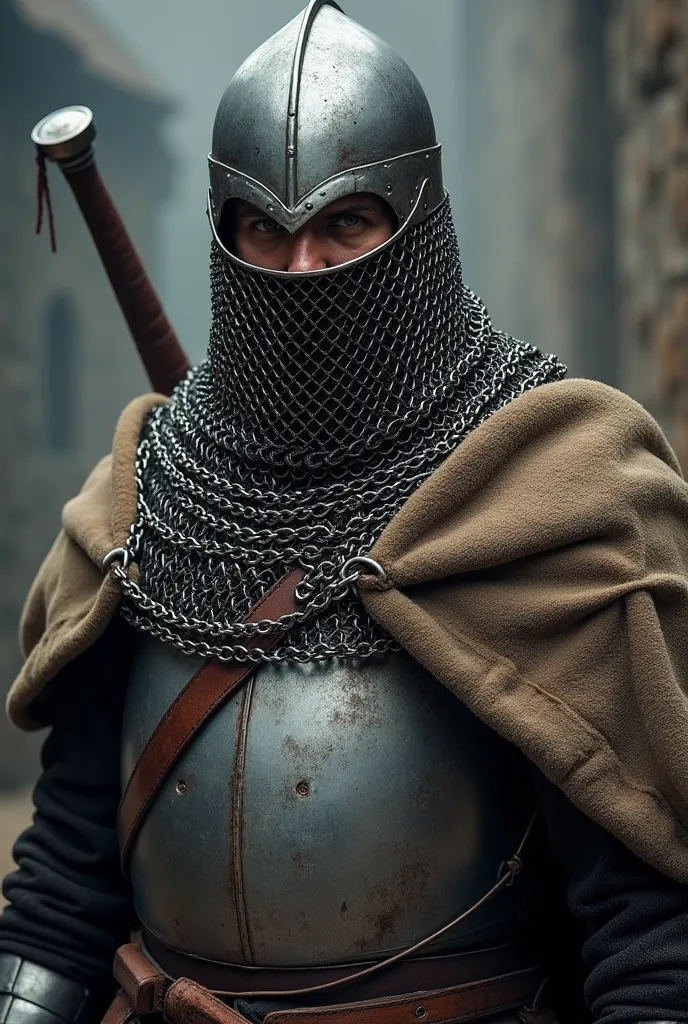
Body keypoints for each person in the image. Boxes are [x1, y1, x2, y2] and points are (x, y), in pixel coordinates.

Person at [3, 4, 688, 1024]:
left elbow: (645, 931)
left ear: (417, 222)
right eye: (265, 231)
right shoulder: (147, 497)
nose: (303, 268)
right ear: (222, 233)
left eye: (345, 223)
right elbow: (64, 886)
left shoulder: (552, 487)